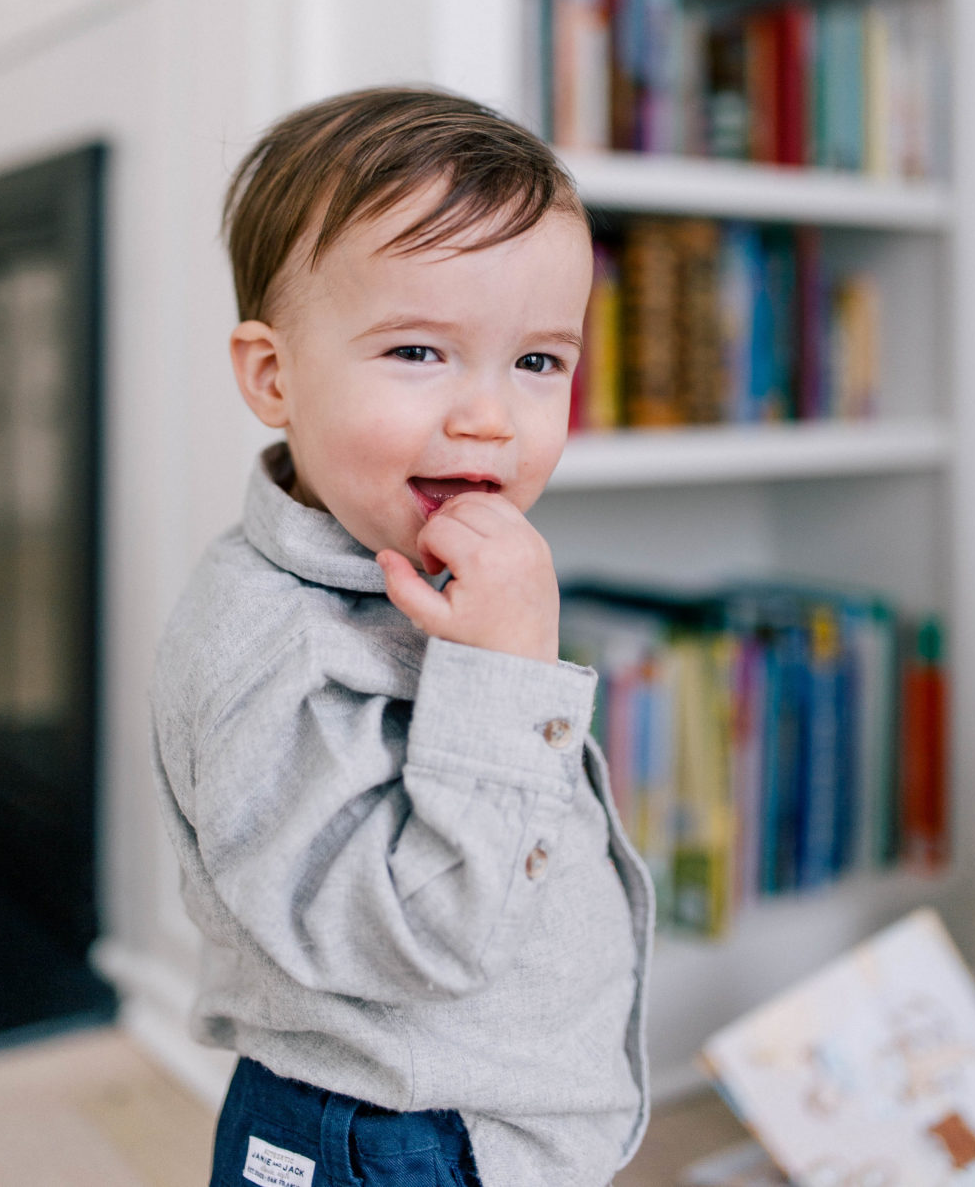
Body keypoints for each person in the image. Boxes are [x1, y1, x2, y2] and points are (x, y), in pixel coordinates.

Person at [150, 86, 653, 1187]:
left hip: (485, 1118)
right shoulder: (270, 646)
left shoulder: (429, 567)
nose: (489, 416)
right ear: (273, 375)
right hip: (388, 1142)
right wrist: (505, 672)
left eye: (536, 363)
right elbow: (408, 943)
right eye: (419, 351)